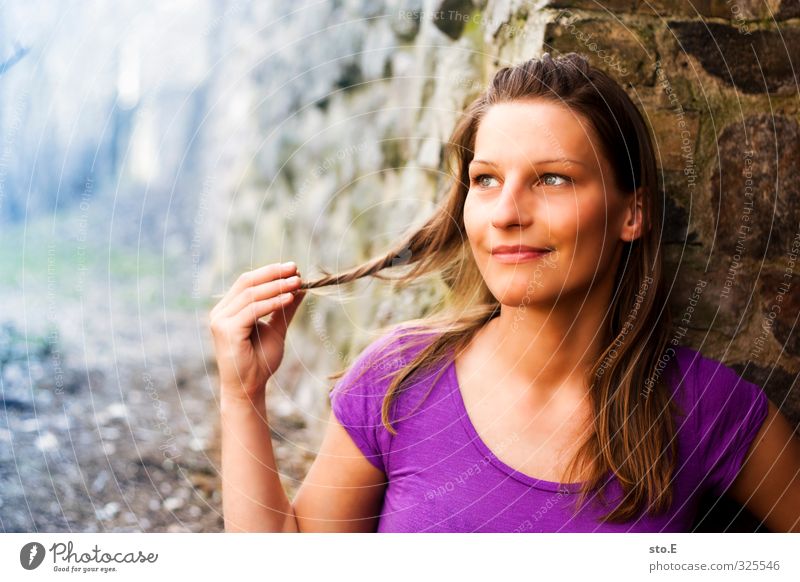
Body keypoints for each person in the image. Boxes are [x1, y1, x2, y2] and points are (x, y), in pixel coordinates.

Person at [209, 52, 800, 532]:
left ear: (632, 213)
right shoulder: (398, 380)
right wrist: (243, 396)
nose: (506, 212)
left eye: (552, 178)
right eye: (485, 179)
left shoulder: (709, 407)